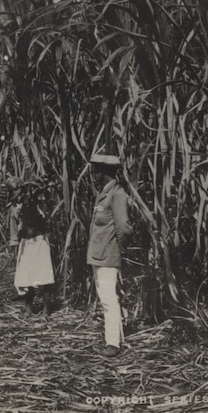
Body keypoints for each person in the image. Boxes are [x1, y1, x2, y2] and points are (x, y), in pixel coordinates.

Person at [88, 153, 133, 357]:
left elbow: (124, 227)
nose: (93, 174)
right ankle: (112, 338)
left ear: (104, 173)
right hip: (99, 254)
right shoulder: (104, 193)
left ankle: (113, 343)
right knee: (105, 296)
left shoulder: (117, 194)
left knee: (108, 298)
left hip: (108, 253)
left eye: (96, 171)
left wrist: (119, 248)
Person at [7, 176, 54, 317]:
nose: (12, 193)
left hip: (39, 240)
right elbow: (13, 227)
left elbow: (45, 216)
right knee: (25, 277)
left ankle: (46, 309)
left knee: (44, 275)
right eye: (10, 191)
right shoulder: (13, 206)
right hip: (25, 242)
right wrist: (14, 243)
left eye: (14, 190)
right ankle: (28, 307)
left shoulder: (36, 200)